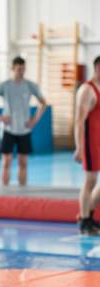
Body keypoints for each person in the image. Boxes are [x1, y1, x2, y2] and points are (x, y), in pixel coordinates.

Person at [0, 56, 47, 186]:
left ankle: (22, 191)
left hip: (24, 129)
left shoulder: (30, 86)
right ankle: (4, 191)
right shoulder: (5, 86)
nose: (21, 72)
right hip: (9, 129)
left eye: (23, 69)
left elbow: (43, 103)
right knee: (6, 162)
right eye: (18, 69)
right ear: (13, 69)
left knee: (23, 163)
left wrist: (35, 119)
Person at [73, 55, 100, 235]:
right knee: (90, 180)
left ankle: (88, 214)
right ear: (97, 68)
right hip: (90, 141)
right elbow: (79, 120)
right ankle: (84, 221)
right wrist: (79, 147)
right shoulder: (87, 89)